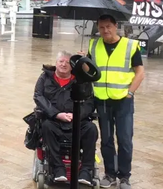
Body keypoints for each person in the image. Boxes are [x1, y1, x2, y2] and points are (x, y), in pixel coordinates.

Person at [80, 14, 145, 189]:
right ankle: (109, 174)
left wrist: (130, 93)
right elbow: (90, 71)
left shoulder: (130, 46)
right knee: (107, 139)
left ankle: (124, 176)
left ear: (116, 26)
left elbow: (140, 72)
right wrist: (83, 61)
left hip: (123, 101)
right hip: (102, 100)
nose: (105, 30)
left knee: (124, 139)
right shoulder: (94, 45)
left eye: (108, 26)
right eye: (101, 27)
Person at [33, 51, 98, 186]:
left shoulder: (80, 80)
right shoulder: (45, 78)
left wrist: (77, 114)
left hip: (77, 121)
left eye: (67, 62)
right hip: (54, 120)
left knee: (91, 129)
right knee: (46, 127)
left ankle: (86, 171)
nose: (64, 64)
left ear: (72, 66)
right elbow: (39, 96)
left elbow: (90, 102)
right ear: (56, 63)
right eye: (61, 61)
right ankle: (58, 169)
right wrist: (56, 114)